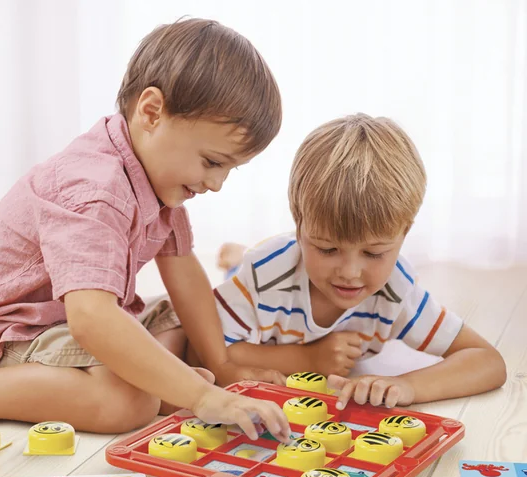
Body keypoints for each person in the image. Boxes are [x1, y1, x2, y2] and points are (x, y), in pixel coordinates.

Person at [0, 18, 291, 441]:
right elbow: (91, 318)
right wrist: (202, 395)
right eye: (212, 162)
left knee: (195, 318)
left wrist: (221, 365)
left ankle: (158, 383)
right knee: (127, 403)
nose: (216, 183)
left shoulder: (159, 179)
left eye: (229, 169)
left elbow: (184, 274)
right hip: (18, 329)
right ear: (151, 112)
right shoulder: (94, 188)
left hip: (81, 319)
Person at [203, 114, 506, 409]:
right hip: (263, 270)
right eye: (327, 249)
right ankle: (236, 258)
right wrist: (308, 359)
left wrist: (408, 385)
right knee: (244, 267)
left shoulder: (397, 288)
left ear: (404, 233)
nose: (350, 273)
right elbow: (206, 351)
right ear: (298, 224)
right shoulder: (263, 273)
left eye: (373, 253)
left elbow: (487, 361)